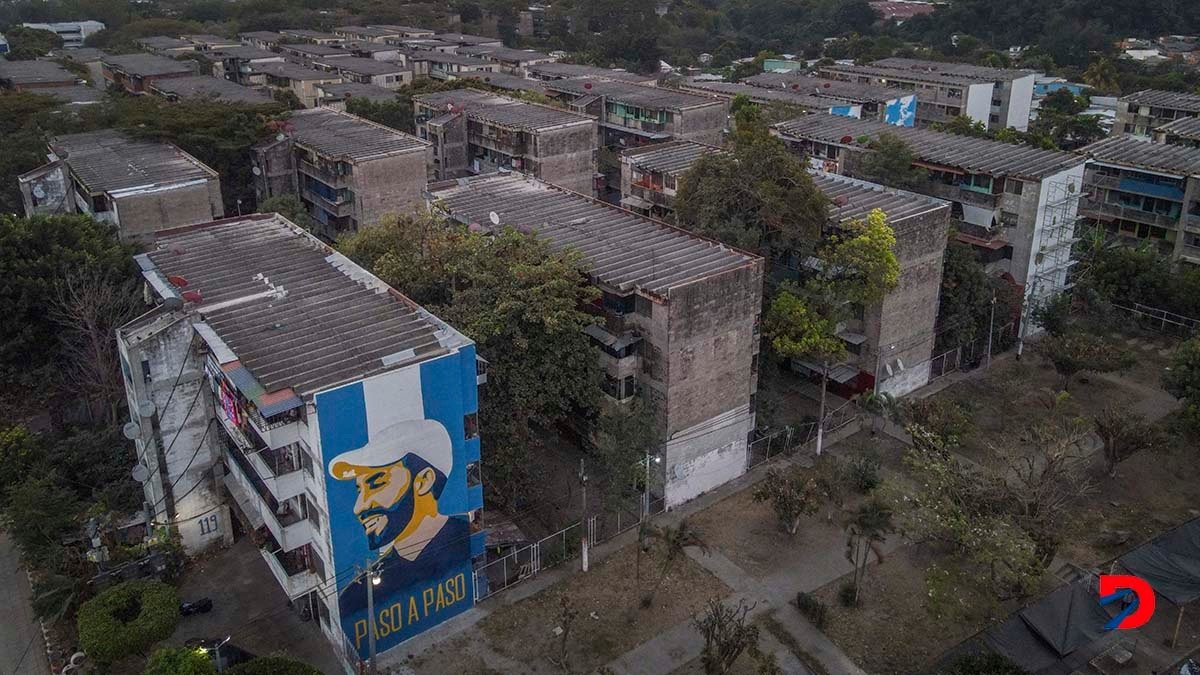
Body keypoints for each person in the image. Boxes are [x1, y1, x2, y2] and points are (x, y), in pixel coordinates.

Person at [330, 420, 470, 616]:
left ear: (424, 481)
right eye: (360, 490)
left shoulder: (469, 540)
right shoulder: (356, 596)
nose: (359, 507)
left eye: (377, 484)